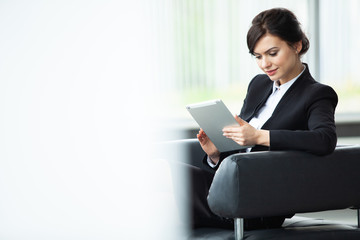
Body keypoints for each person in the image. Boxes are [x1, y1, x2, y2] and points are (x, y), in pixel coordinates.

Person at [192, 8, 338, 230]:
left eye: (272, 53)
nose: (264, 64)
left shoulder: (317, 94)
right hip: (228, 187)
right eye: (258, 56)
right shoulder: (259, 85)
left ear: (296, 45)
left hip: (259, 200)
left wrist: (258, 136)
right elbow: (243, 152)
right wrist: (216, 154)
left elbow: (324, 139)